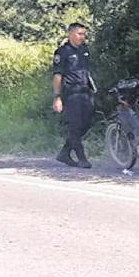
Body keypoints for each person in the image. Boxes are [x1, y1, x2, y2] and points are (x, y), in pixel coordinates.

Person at [52, 22, 96, 168]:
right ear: (70, 34)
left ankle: (64, 153)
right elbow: (58, 76)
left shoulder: (84, 49)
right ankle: (82, 158)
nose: (82, 37)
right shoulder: (62, 52)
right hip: (71, 94)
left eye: (84, 34)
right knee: (75, 126)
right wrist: (57, 97)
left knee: (86, 124)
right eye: (79, 34)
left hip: (85, 92)